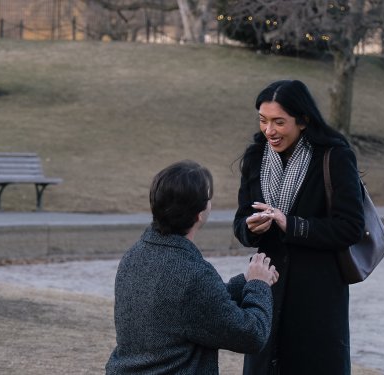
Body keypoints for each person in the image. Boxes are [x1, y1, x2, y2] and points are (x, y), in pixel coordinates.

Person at [234, 80, 365, 374]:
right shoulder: (256, 156)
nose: (269, 131)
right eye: (263, 120)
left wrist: (290, 224)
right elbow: (240, 220)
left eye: (279, 122)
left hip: (317, 296)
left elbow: (350, 227)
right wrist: (251, 227)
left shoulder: (335, 156)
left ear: (303, 121)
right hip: (268, 289)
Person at [105, 160, 279, 375]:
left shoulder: (135, 255)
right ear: (199, 213)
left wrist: (246, 280)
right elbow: (252, 335)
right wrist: (258, 285)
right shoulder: (192, 274)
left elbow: (194, 305)